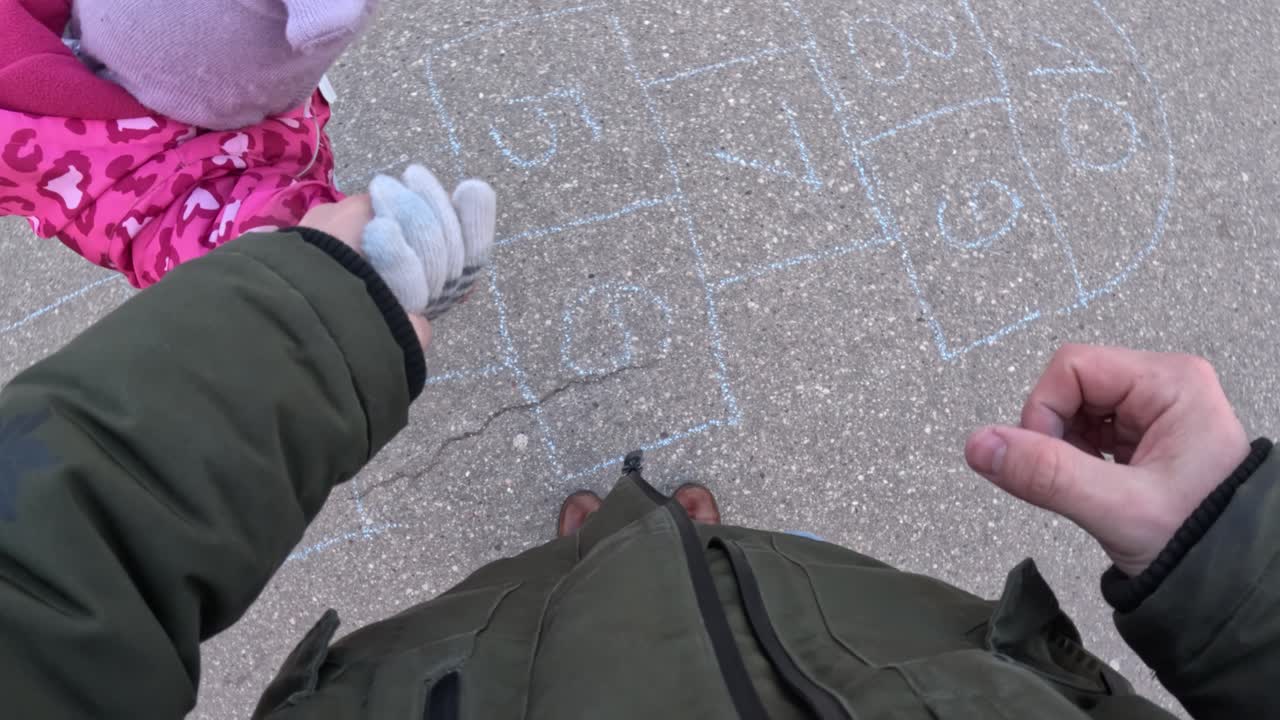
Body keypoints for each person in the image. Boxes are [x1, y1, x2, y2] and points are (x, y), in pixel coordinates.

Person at [0, 196, 1275, 719]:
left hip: (469, 691)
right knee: (750, 576)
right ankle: (675, 550)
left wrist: (300, 331)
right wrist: (1232, 564)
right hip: (884, 672)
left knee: (532, 607)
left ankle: (600, 553)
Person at [0, 0, 376, 287]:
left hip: (263, 123)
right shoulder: (119, 185)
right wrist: (313, 249)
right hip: (265, 183)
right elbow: (221, 258)